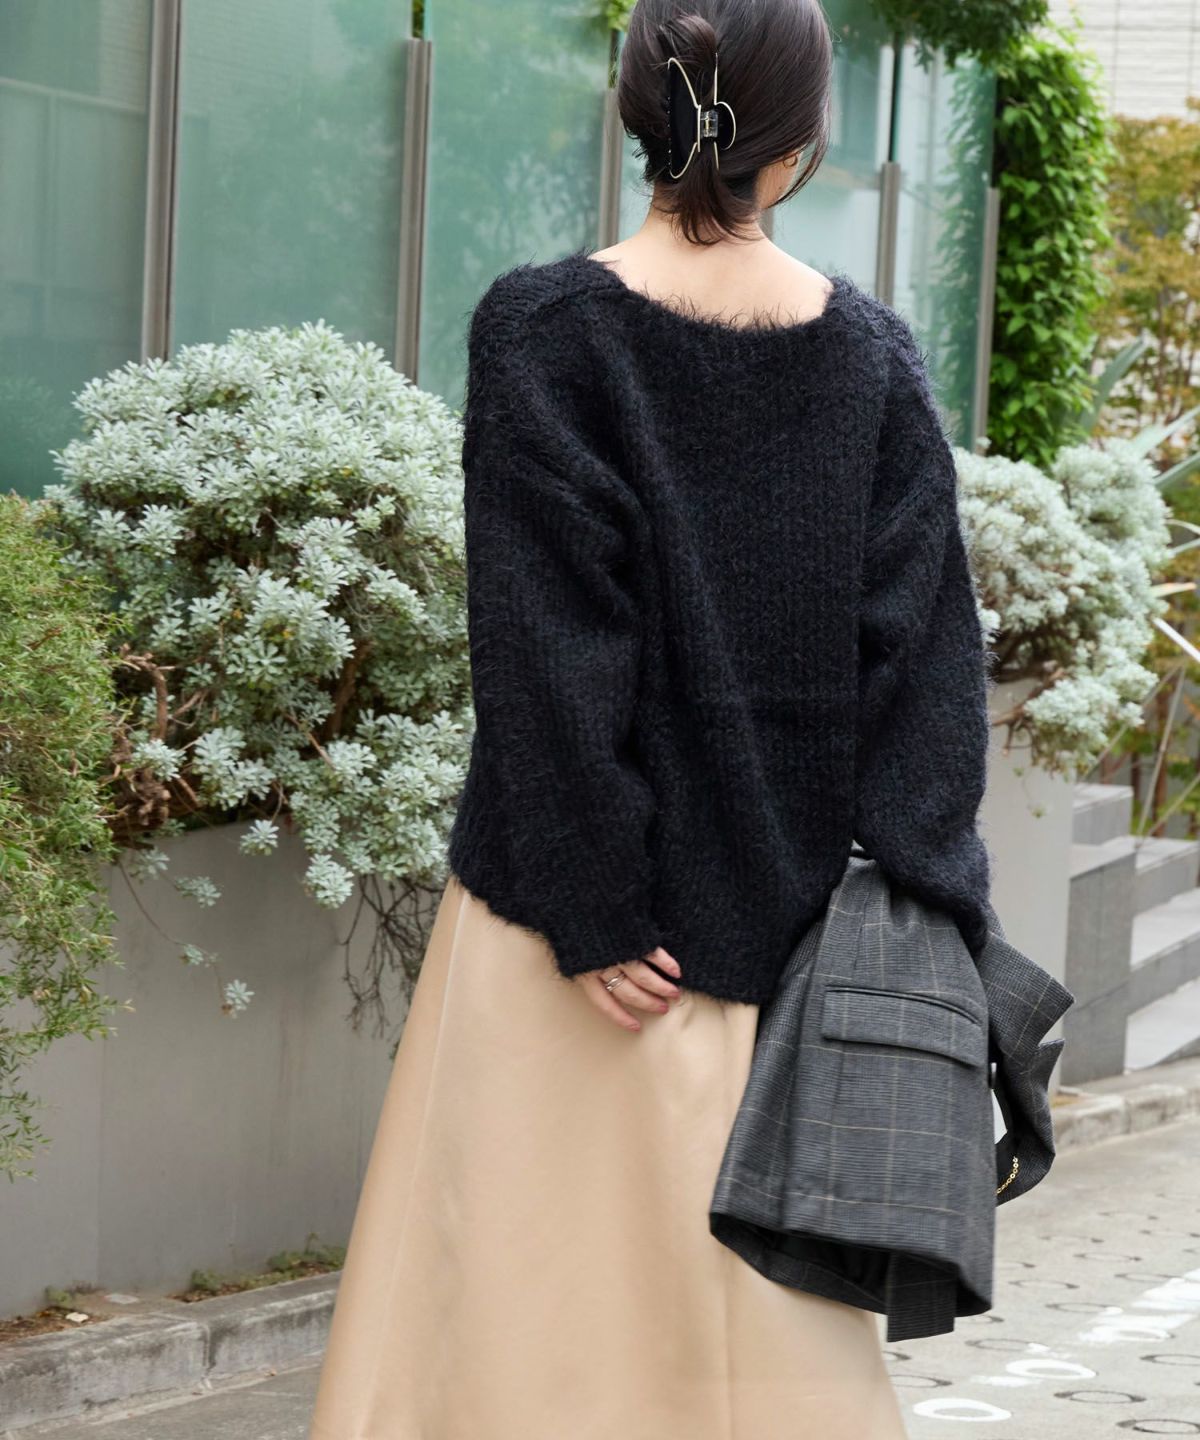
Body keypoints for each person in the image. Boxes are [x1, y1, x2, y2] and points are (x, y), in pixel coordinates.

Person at [307, 0, 993, 1436]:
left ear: (635, 117)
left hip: (560, 945)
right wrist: (920, 909)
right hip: (782, 957)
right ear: (801, 143)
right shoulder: (874, 359)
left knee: (508, 1337)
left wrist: (597, 899)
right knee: (764, 1364)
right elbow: (926, 674)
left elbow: (548, 647)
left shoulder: (541, 330)